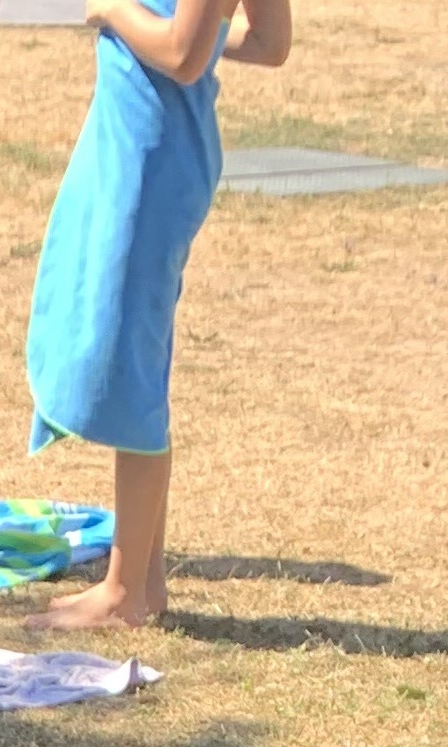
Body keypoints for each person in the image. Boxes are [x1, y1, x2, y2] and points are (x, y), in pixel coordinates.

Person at [22, 0, 291, 630]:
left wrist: (114, 12)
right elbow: (266, 41)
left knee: (132, 369)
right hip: (141, 144)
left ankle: (123, 594)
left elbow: (181, 56)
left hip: (151, 154)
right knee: (131, 355)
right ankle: (143, 577)